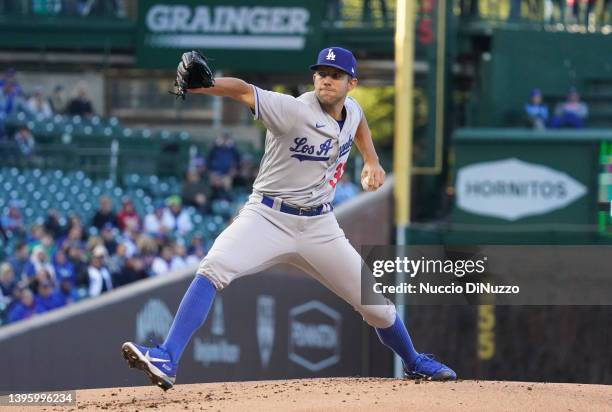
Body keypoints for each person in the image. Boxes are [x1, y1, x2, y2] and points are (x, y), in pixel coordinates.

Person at [121, 46, 456, 391]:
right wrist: (204, 86)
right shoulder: (293, 110)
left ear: (351, 83)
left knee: (377, 307)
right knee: (213, 267)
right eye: (322, 73)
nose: (326, 79)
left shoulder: (351, 110)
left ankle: (414, 362)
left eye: (336, 75)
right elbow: (244, 90)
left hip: (319, 226)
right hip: (267, 215)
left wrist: (371, 160)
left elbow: (357, 125)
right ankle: (167, 357)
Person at [207, 130, 241, 200]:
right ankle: (212, 200)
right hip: (215, 173)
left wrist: (232, 146)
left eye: (226, 138)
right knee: (214, 182)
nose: (225, 140)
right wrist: (216, 145)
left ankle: (227, 200)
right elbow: (208, 160)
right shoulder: (215, 149)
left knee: (227, 182)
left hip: (227, 174)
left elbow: (238, 160)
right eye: (223, 138)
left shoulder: (232, 149)